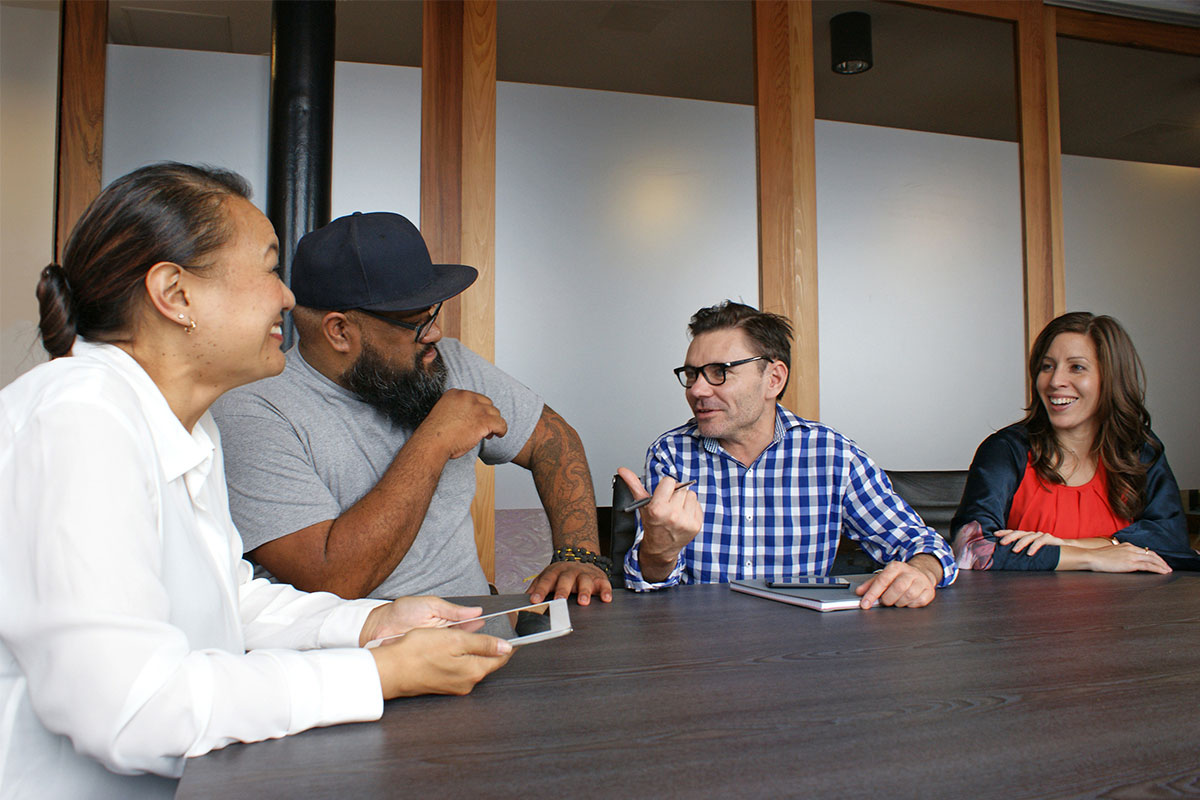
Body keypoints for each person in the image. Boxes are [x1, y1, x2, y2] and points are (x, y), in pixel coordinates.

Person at [0, 164, 512, 799]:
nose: (288, 298)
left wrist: (374, 624)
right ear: (176, 294)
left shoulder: (188, 426)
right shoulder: (78, 420)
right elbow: (130, 709)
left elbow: (232, 601)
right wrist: (374, 675)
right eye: (269, 268)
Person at [210, 212, 612, 606]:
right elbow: (332, 578)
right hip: (356, 658)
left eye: (433, 314)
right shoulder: (253, 411)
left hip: (473, 629)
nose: (435, 333)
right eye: (416, 322)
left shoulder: (443, 361)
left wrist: (578, 555)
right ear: (339, 331)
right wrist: (435, 441)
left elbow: (553, 441)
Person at [618, 301, 957, 608]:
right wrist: (659, 551)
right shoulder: (671, 453)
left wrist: (921, 572)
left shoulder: (832, 455)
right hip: (698, 645)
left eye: (719, 372)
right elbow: (648, 587)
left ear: (774, 379)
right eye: (692, 374)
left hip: (802, 648)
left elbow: (922, 543)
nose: (697, 390)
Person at [951, 311, 1194, 573]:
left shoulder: (1137, 448)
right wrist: (1093, 557)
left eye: (1076, 367)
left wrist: (1074, 544)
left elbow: (1172, 540)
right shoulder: (1005, 450)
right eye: (1047, 366)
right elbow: (971, 549)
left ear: (1110, 378)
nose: (1055, 381)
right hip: (1023, 610)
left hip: (1126, 610)